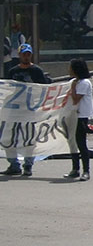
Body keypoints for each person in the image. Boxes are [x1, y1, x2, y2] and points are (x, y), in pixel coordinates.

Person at [4, 44, 51, 176]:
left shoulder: (36, 71)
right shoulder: (13, 71)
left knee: (29, 138)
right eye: (24, 54)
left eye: (28, 54)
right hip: (14, 110)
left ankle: (28, 164)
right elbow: (8, 88)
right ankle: (13, 164)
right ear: (19, 55)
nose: (26, 57)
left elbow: (43, 89)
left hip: (30, 110)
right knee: (9, 137)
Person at [64, 59, 93, 181]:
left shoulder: (84, 83)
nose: (69, 70)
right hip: (73, 116)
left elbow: (76, 99)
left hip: (81, 116)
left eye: (70, 67)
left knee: (81, 143)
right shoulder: (76, 82)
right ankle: (75, 169)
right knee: (72, 142)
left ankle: (86, 171)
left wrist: (73, 87)